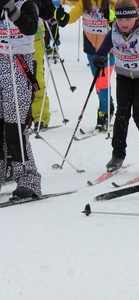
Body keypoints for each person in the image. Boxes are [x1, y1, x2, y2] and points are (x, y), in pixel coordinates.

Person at [93, 0, 139, 174]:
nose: (124, 24)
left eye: (128, 19)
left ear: (135, 17)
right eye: (120, 19)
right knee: (122, 114)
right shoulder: (113, 33)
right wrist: (99, 59)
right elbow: (100, 53)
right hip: (124, 76)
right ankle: (117, 155)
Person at [0, 0, 42, 198]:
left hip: (18, 65)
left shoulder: (27, 4)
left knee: (14, 125)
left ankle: (28, 178)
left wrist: (13, 11)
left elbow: (30, 27)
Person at [55, 0, 116, 131]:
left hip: (108, 48)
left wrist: (111, 15)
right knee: (98, 81)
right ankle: (107, 103)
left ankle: (103, 114)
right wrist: (63, 17)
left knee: (103, 81)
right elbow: (72, 16)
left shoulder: (112, 2)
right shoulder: (84, 2)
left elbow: (121, 20)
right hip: (91, 48)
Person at [32, 0, 56, 130]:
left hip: (34, 36)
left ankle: (40, 116)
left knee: (36, 77)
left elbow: (48, 12)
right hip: (6, 37)